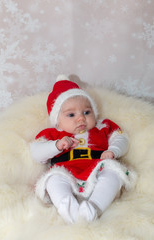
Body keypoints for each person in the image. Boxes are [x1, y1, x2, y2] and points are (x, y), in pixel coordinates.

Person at [30, 75, 136, 224]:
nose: (81, 118)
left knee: (113, 173)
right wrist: (56, 146)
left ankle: (94, 207)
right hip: (66, 172)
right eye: (71, 114)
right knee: (53, 180)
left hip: (98, 168)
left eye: (86, 112)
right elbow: (36, 152)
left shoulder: (103, 126)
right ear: (57, 120)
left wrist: (113, 150)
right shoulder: (53, 134)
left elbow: (121, 138)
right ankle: (74, 216)